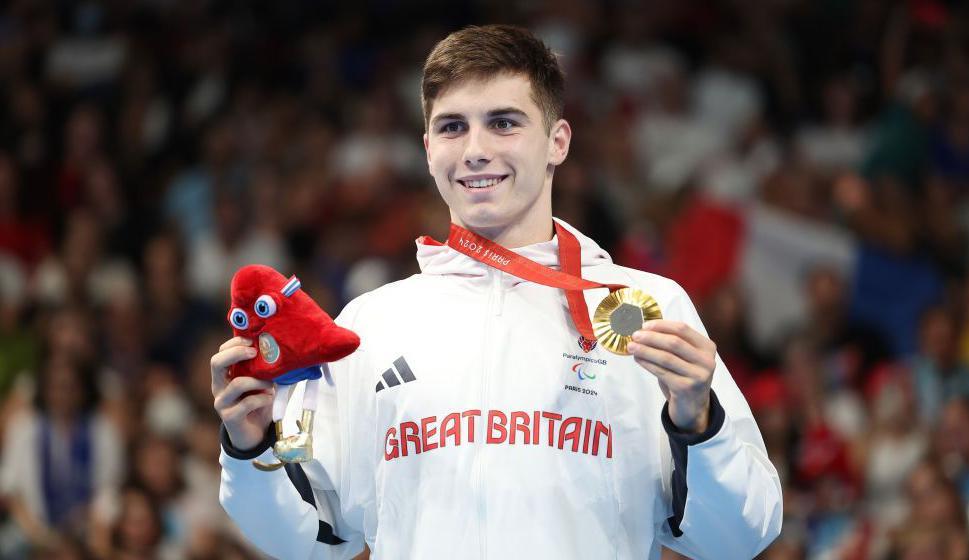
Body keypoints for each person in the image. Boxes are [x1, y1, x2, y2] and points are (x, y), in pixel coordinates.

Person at [212, 24, 782, 559]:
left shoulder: (645, 309)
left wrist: (698, 423)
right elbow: (306, 540)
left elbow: (739, 537)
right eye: (452, 126)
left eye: (504, 123)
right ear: (428, 147)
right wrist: (249, 443)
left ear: (558, 141)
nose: (475, 149)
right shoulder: (371, 326)